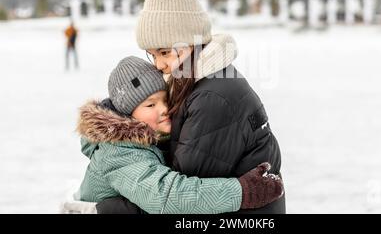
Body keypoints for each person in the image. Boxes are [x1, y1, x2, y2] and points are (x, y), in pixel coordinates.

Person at [98, 0, 285, 213]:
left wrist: (109, 208)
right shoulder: (197, 83)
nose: (158, 65)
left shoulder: (211, 98)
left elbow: (184, 199)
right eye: (152, 55)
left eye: (164, 52)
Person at [76, 56, 283, 213]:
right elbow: (167, 195)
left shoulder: (149, 140)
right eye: (150, 104)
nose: (164, 109)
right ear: (128, 114)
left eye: (165, 99)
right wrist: (242, 192)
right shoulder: (119, 152)